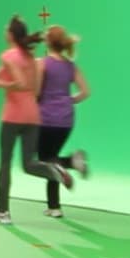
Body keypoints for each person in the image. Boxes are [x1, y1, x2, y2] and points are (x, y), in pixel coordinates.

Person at [0, 17, 59, 221]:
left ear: (11, 34)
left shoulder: (8, 56)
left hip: (12, 115)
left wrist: (6, 85)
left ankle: (3, 211)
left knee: (5, 163)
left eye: (5, 29)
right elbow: (36, 89)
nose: (4, 32)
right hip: (33, 116)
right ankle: (55, 170)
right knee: (29, 164)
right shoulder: (31, 58)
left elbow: (17, 82)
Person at [37, 24, 92, 189]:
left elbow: (37, 92)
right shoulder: (71, 66)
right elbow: (85, 91)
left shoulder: (42, 64)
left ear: (47, 42)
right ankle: (54, 207)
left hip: (46, 119)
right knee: (52, 160)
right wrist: (69, 100)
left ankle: (71, 163)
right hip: (66, 120)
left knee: (45, 161)